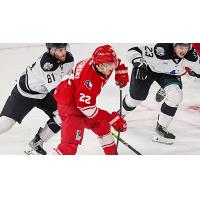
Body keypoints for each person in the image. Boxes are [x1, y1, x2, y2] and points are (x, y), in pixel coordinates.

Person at [51, 44, 128, 155]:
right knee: (69, 147)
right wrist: (111, 118)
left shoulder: (103, 63)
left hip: (80, 99)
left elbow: (117, 62)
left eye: (113, 65)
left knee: (103, 126)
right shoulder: (88, 81)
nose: (111, 68)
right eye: (109, 66)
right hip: (70, 105)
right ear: (99, 65)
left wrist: (120, 72)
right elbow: (87, 109)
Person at [0, 43, 74, 155]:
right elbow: (56, 91)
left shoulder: (69, 58)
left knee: (63, 114)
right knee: (6, 124)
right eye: (60, 50)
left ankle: (37, 142)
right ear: (51, 51)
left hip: (43, 92)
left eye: (64, 49)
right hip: (24, 94)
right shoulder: (47, 65)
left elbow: (70, 73)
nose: (63, 52)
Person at [122, 43, 200, 144]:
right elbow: (133, 50)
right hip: (148, 69)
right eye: (181, 47)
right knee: (136, 99)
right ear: (174, 46)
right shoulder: (160, 49)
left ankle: (160, 129)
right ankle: (120, 114)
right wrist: (139, 62)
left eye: (186, 47)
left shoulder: (191, 56)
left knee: (176, 96)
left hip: (169, 74)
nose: (184, 51)